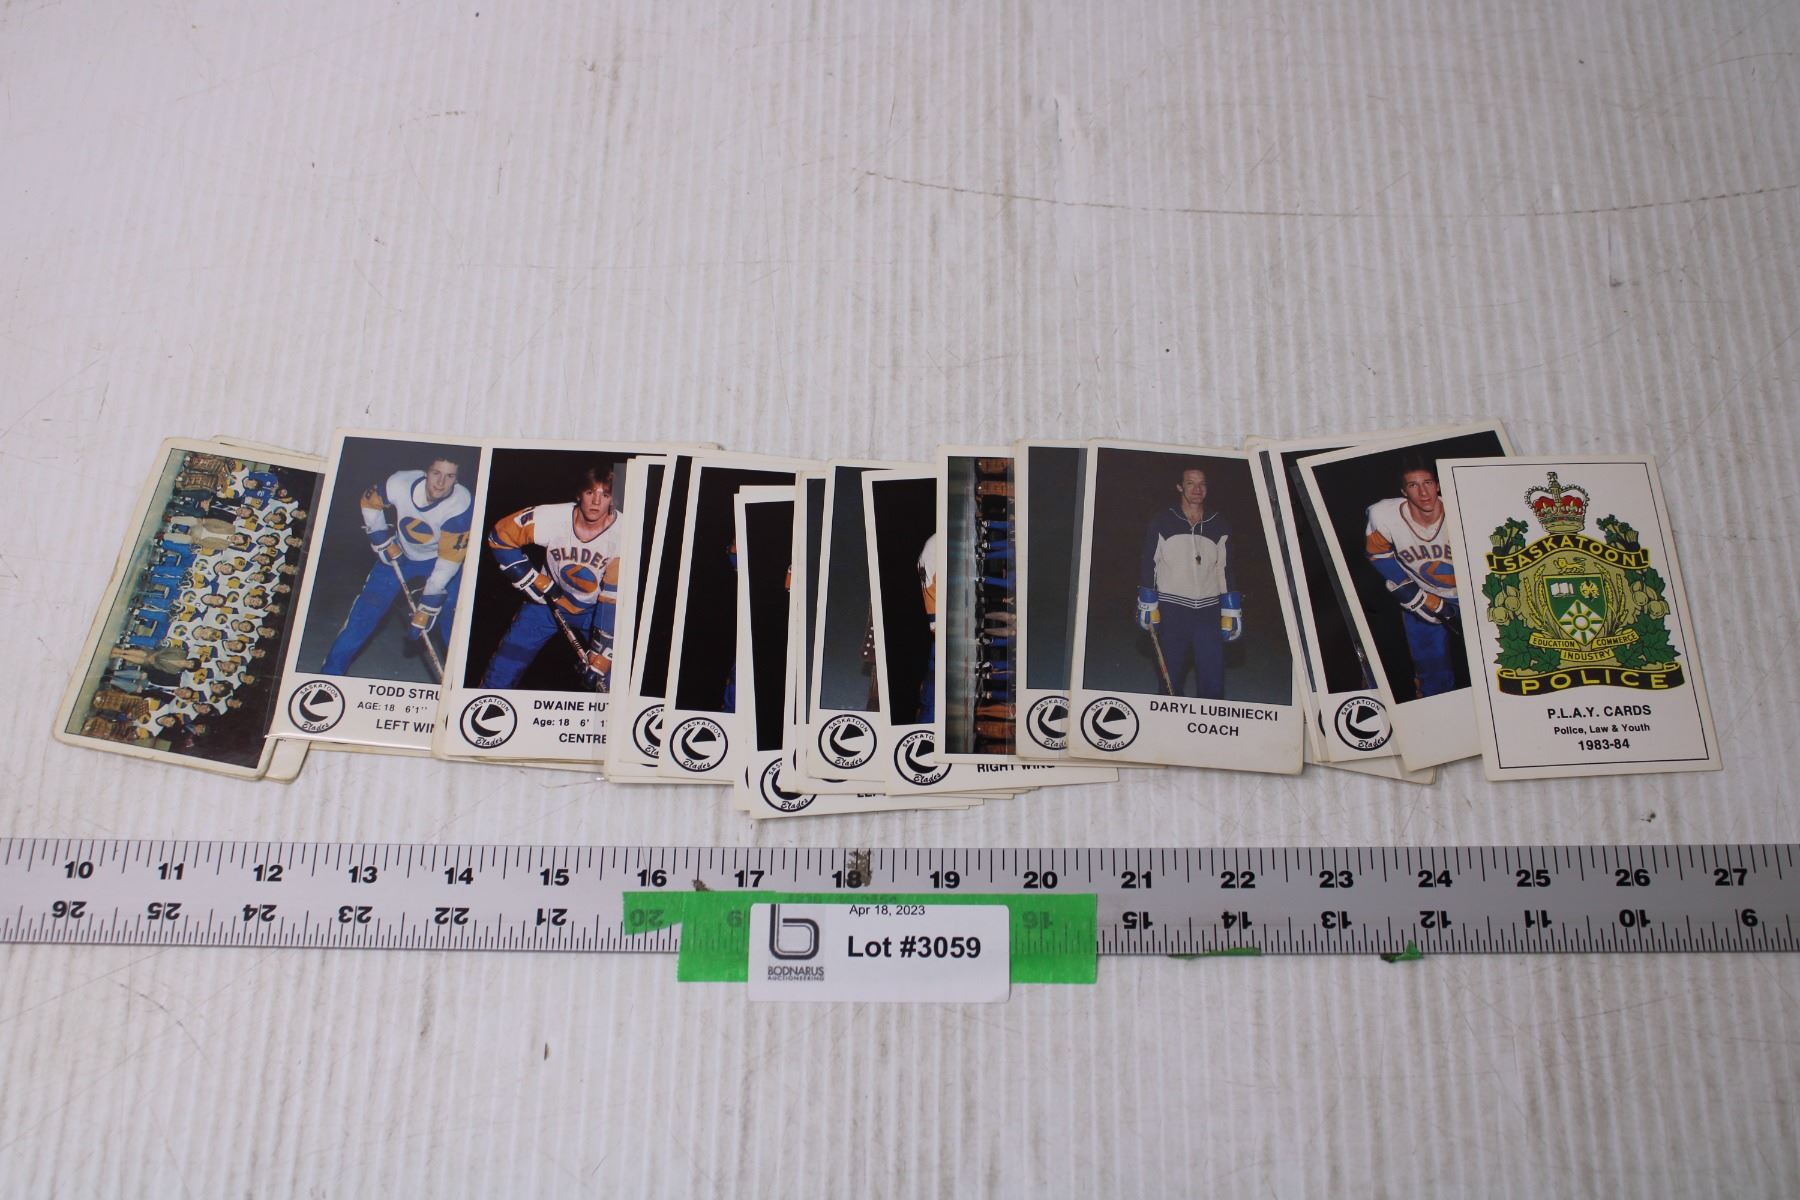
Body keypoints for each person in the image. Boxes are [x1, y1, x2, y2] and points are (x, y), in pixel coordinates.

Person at [320, 456, 472, 676]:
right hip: (402, 551)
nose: (440, 483)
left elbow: (449, 560)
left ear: (456, 480)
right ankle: (329, 675)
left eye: (449, 476)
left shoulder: (461, 506)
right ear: (426, 472)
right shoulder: (400, 483)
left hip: (440, 560)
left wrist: (429, 604)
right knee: (366, 611)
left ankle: (459, 682)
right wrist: (380, 536)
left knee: (452, 616)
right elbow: (369, 501)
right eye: (436, 473)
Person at [479, 465, 620, 690]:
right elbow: (500, 537)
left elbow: (613, 599)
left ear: (613, 499)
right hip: (548, 600)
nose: (596, 501)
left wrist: (603, 654)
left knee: (612, 680)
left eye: (605, 495)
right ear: (579, 494)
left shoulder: (624, 535)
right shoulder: (551, 517)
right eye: (590, 492)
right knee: (504, 665)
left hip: (596, 611)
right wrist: (530, 579)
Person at [1137, 466, 1242, 699]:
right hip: (1172, 610)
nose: (1197, 489)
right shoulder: (1163, 521)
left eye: (1202, 484)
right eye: (1190, 483)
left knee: (1213, 679)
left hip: (1208, 612)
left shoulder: (1219, 523)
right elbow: (1149, 562)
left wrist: (1231, 609)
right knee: (1170, 680)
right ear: (1179, 487)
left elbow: (1224, 569)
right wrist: (1147, 602)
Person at [1364, 457, 1458, 697]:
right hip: (1426, 593)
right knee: (1432, 672)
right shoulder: (1384, 515)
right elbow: (1379, 555)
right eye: (1413, 485)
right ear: (1404, 491)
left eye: (1428, 483)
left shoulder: (1462, 507)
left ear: (1438, 485)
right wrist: (1414, 596)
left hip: (1472, 594)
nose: (1423, 492)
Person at [916, 531, 938, 722]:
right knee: (932, 703)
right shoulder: (937, 542)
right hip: (942, 627)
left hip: (939, 626)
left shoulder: (933, 543)